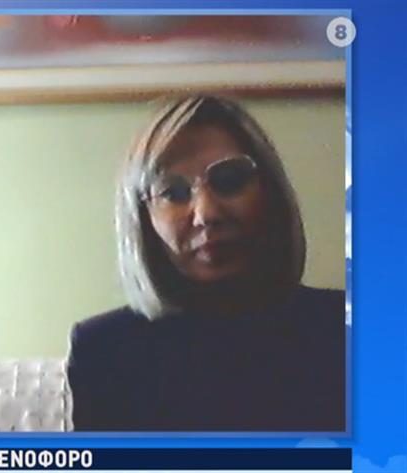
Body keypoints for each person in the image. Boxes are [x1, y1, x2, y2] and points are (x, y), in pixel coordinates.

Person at [67, 94, 345, 431]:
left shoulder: (348, 329)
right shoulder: (104, 350)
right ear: (144, 217)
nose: (206, 214)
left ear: (269, 193)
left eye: (229, 180)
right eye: (172, 192)